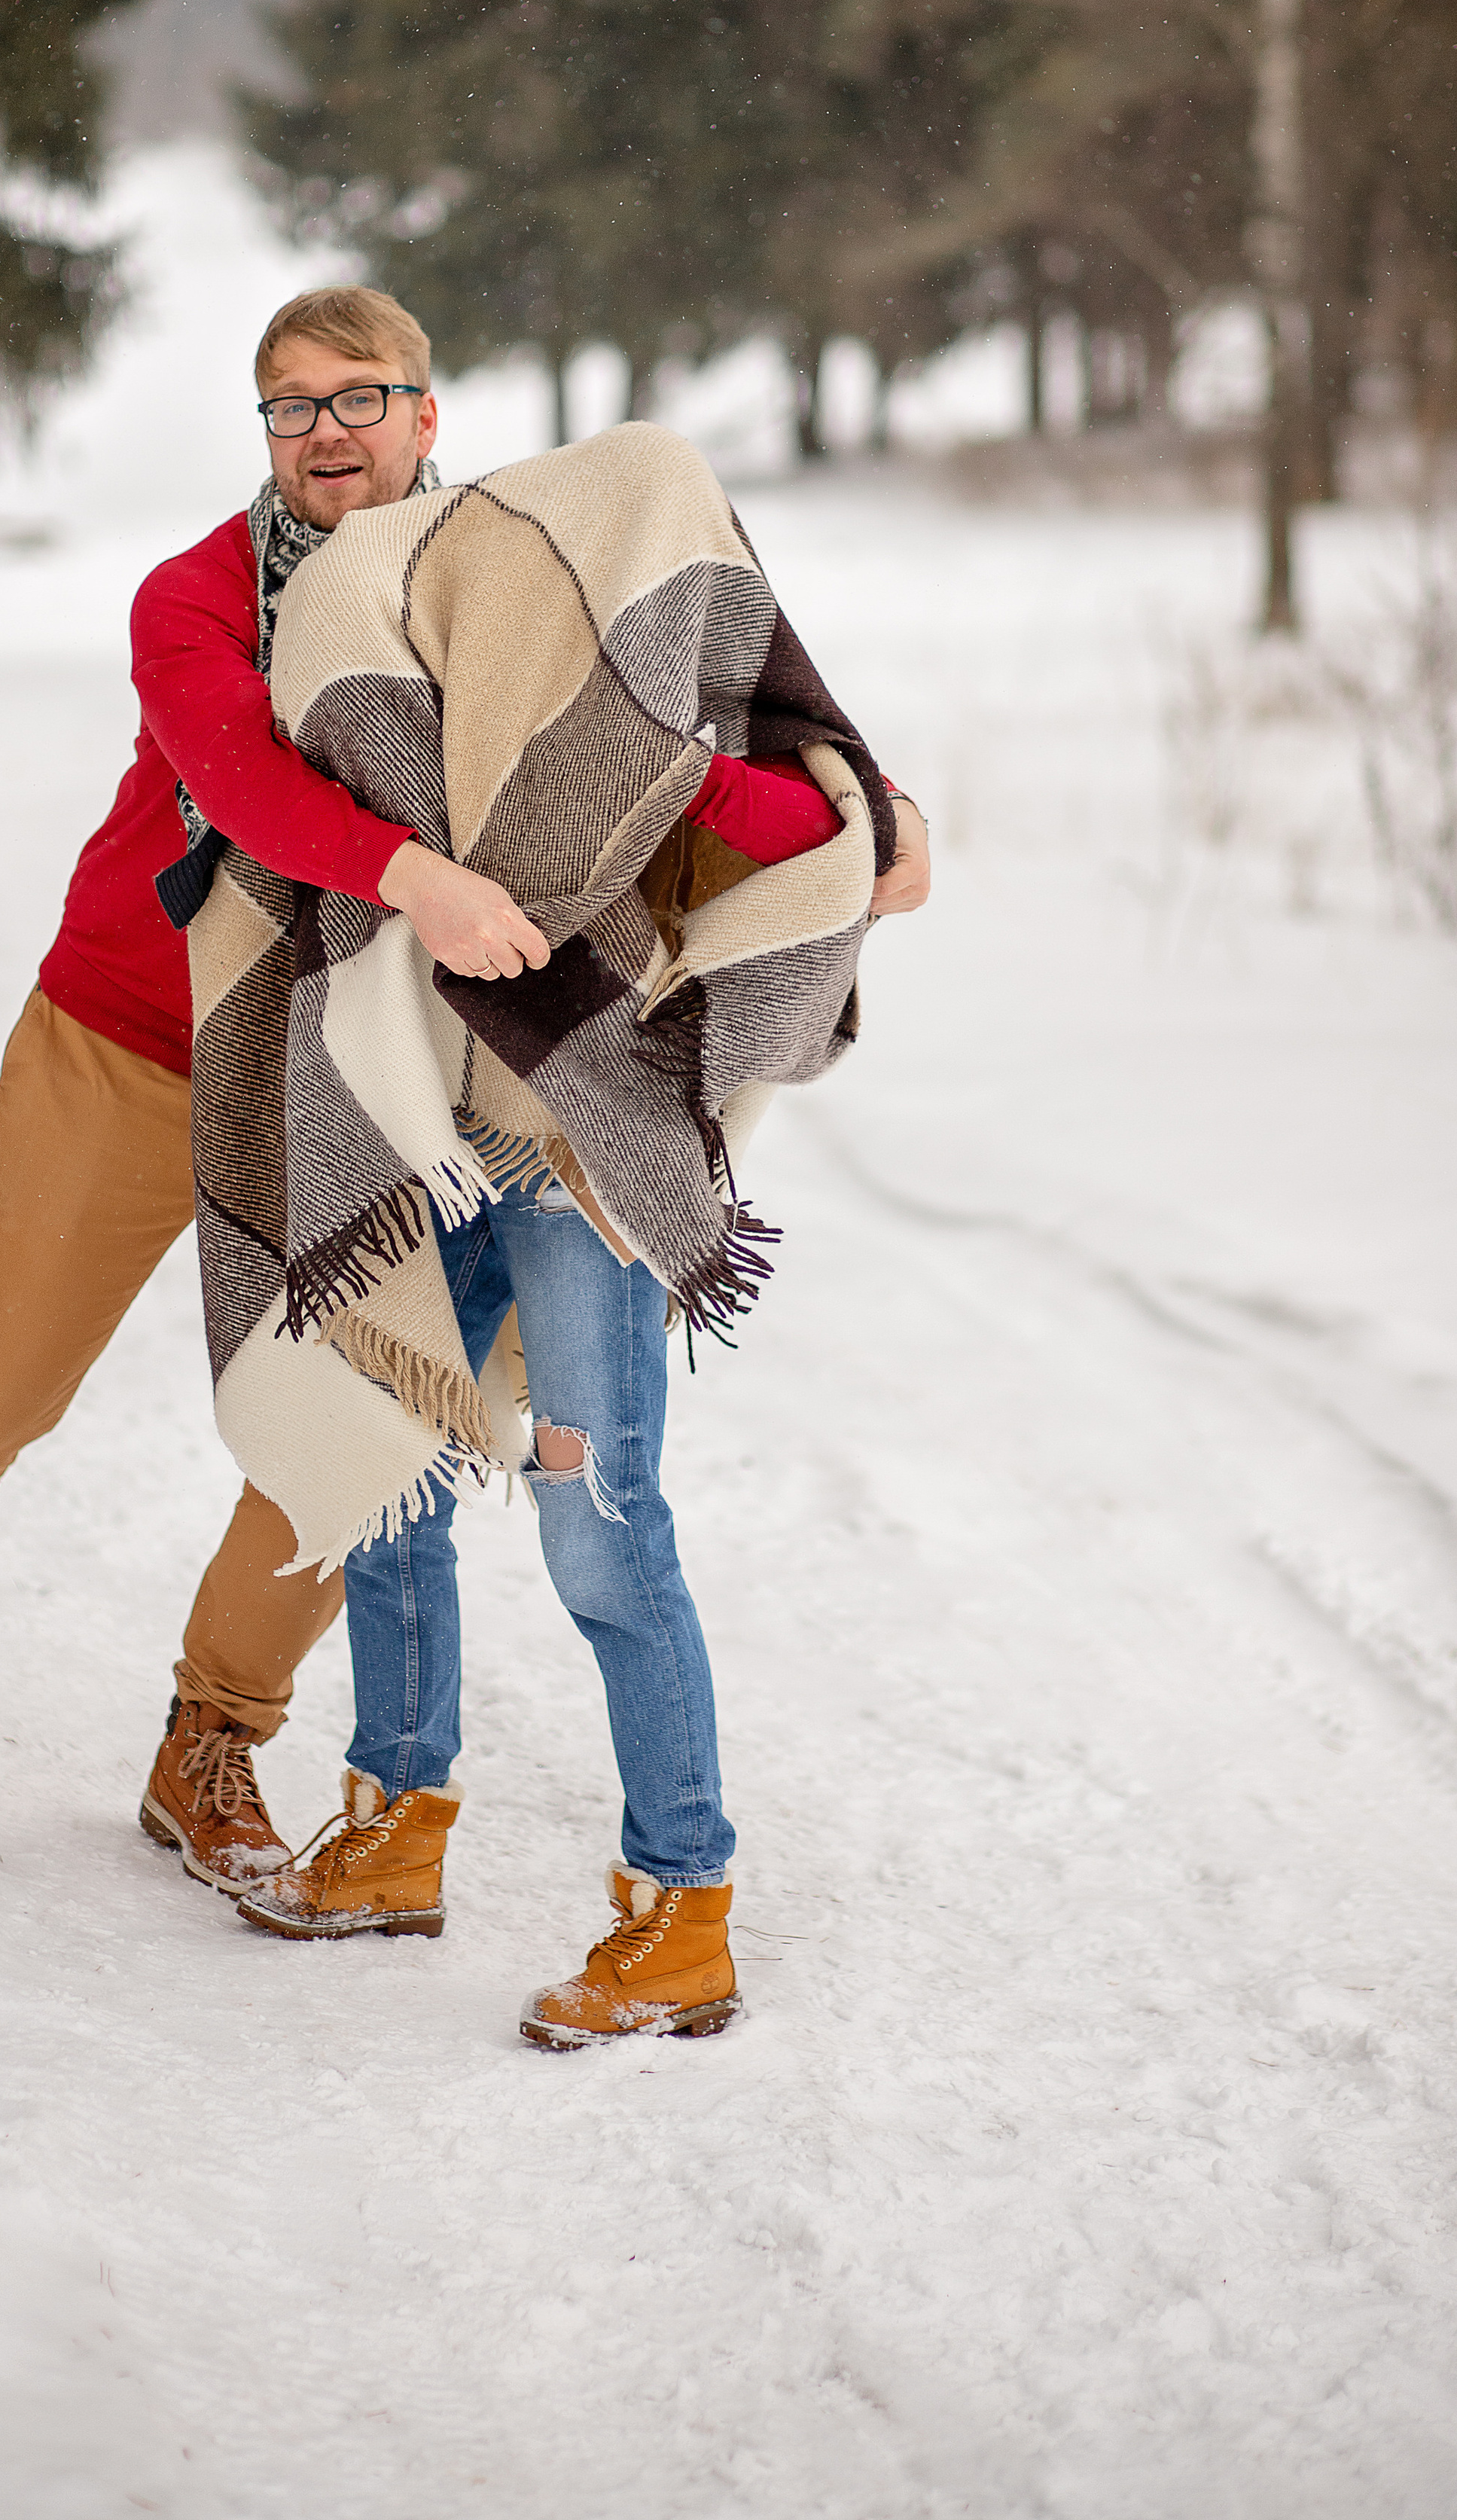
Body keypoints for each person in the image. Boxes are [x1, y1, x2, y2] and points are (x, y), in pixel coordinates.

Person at [0, 285, 928, 1905]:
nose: (327, 431)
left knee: (358, 1421)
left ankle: (213, 1735)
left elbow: (634, 744)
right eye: (292, 405)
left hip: (351, 1073)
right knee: (2, 1378)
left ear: (425, 415)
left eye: (360, 397)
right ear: (264, 431)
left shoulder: (498, 577)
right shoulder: (194, 597)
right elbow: (245, 783)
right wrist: (416, 878)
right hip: (131, 1037)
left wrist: (861, 814)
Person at [182, 411, 930, 2045]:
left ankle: (681, 1912)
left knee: (599, 1520)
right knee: (394, 1480)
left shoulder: (663, 733)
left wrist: (747, 784)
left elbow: (822, 838)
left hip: (575, 1164)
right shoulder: (379, 671)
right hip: (419, 1139)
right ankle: (395, 1828)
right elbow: (285, 811)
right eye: (294, 403)